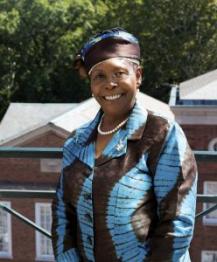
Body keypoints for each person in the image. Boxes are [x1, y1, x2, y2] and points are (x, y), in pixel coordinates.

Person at [52, 28, 198, 262]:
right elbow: (63, 214)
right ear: (91, 84)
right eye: (99, 76)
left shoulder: (162, 134)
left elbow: (177, 223)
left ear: (138, 75)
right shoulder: (75, 143)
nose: (110, 84)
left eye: (119, 73)